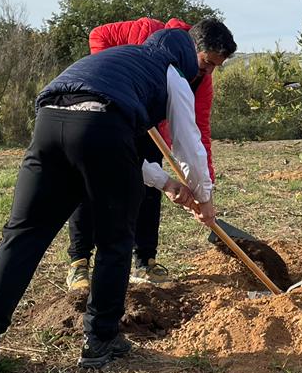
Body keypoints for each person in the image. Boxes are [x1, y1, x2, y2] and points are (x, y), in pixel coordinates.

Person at [0, 26, 225, 373]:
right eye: (203, 69)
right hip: (102, 129)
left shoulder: (116, 61)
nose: (202, 76)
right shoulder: (172, 72)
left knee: (23, 233)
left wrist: (167, 183)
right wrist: (204, 196)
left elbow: (113, 141)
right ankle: (101, 340)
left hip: (50, 124)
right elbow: (187, 141)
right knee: (115, 241)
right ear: (188, 58)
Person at [64, 17, 232, 291]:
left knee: (152, 189)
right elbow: (98, 34)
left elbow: (198, 133)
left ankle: (145, 260)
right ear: (193, 47)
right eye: (208, 63)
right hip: (109, 115)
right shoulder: (146, 31)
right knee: (91, 183)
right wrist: (117, 86)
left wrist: (204, 191)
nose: (210, 72)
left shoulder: (202, 81)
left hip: (153, 128)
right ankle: (79, 262)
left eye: (216, 66)